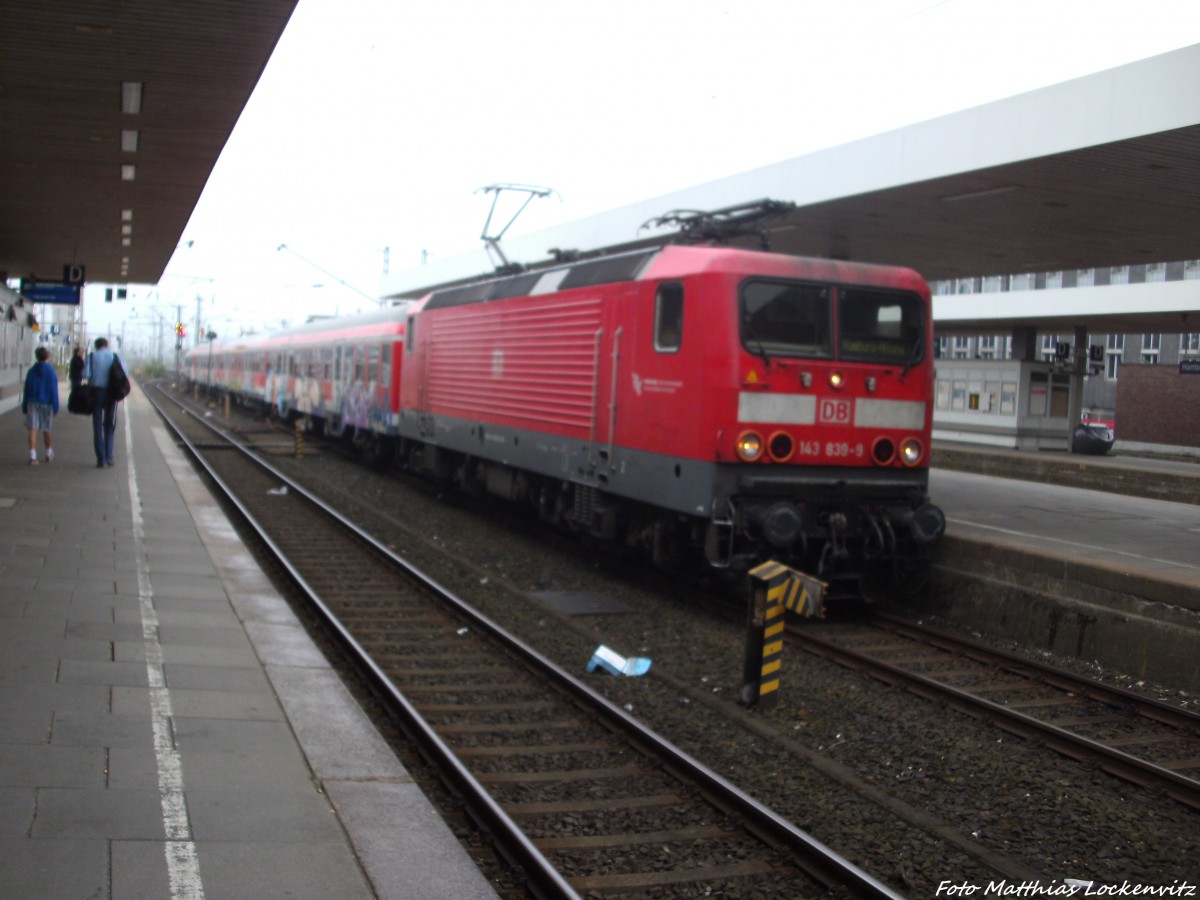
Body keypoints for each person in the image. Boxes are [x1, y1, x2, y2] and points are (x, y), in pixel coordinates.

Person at [84, 336, 121, 468]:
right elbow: (124, 372)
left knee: (97, 426)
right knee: (109, 425)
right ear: (107, 345)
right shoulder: (114, 356)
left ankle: (101, 460)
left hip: (97, 393)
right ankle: (109, 456)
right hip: (112, 393)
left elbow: (85, 374)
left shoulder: (91, 356)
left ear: (96, 346)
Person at [21, 347, 59, 465]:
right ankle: (48, 452)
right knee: (46, 428)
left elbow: (26, 389)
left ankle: (32, 456)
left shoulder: (31, 371)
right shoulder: (51, 371)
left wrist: (24, 405)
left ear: (37, 357)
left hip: (32, 402)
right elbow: (53, 390)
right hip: (46, 403)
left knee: (33, 429)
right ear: (47, 357)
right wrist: (56, 406)